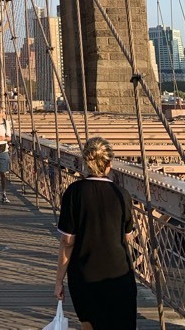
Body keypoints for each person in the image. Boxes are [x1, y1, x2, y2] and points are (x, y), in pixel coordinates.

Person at [55, 136, 137, 330]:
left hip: (85, 276)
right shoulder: (121, 194)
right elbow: (127, 236)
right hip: (119, 275)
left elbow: (67, 241)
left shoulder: (74, 193)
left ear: (86, 161)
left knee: (90, 325)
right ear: (109, 164)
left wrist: (59, 281)